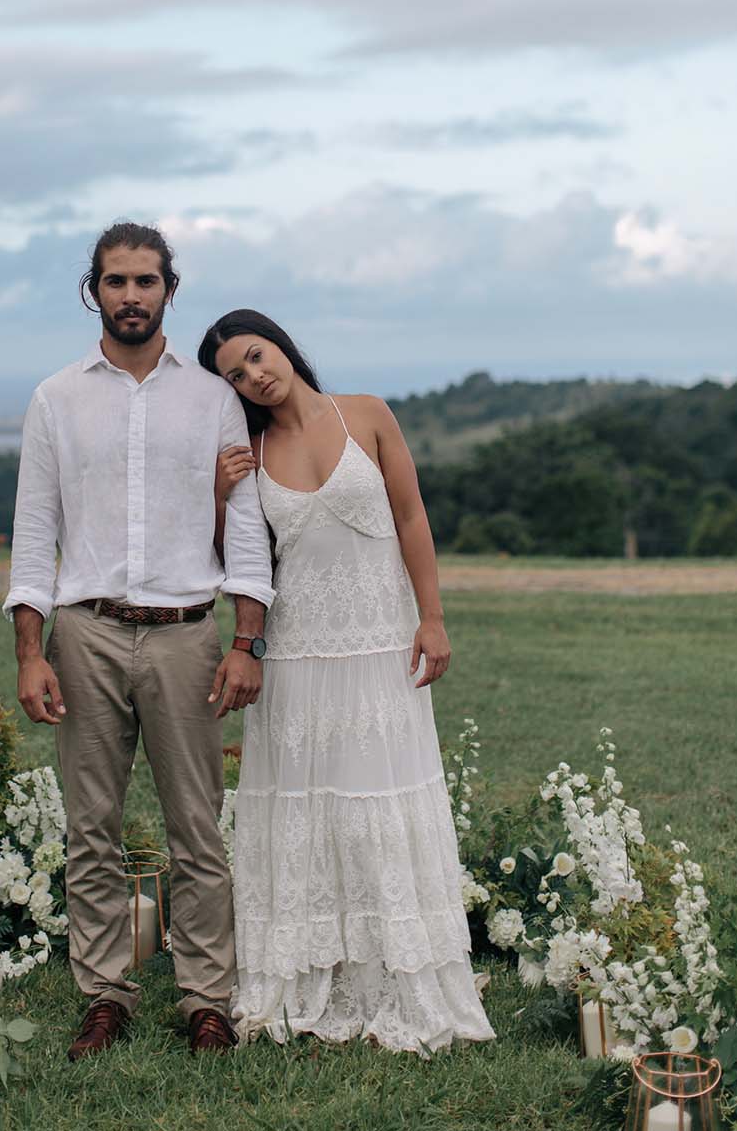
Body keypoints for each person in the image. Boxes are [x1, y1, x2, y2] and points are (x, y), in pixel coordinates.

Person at [4, 226, 274, 1059]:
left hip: (187, 636)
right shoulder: (56, 397)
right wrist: (31, 650)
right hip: (83, 632)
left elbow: (250, 530)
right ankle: (105, 994)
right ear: (95, 288)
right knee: (92, 825)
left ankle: (206, 1000)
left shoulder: (214, 398)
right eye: (117, 281)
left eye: (146, 281)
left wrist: (246, 642)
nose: (132, 295)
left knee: (197, 824)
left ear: (169, 289)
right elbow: (34, 530)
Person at [198, 310, 495, 1054]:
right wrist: (216, 495)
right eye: (234, 373)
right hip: (296, 653)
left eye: (256, 355)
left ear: (282, 347)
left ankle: (398, 978)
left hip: (381, 642)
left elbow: (411, 515)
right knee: (309, 810)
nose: (253, 375)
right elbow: (228, 561)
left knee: (379, 804)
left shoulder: (365, 414)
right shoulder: (250, 452)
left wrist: (432, 617)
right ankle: (301, 978)